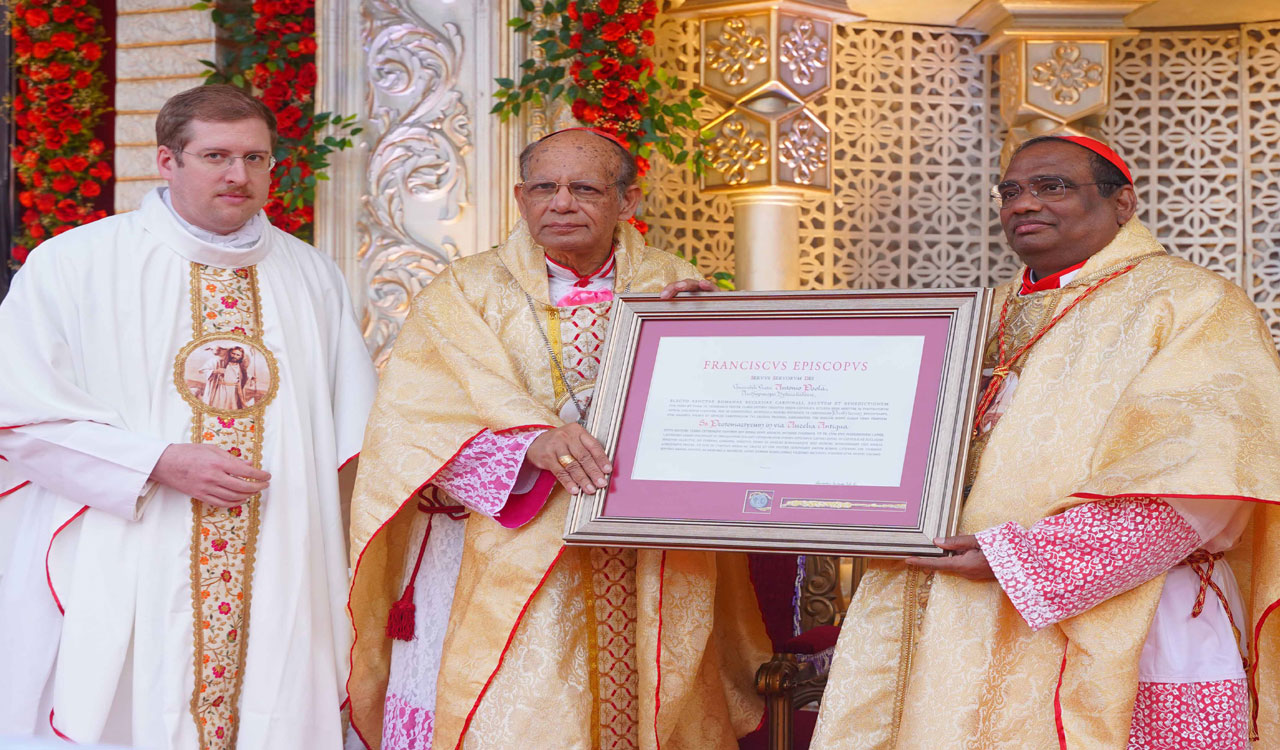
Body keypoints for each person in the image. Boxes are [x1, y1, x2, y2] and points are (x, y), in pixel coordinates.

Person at [810, 135, 1280, 750]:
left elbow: (1207, 480)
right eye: (1010, 191)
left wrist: (1024, 560)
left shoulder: (1194, 303)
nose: (1023, 203)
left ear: (1122, 202)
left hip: (1125, 609)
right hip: (945, 601)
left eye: (1050, 186)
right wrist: (719, 330)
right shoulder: (974, 315)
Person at [345, 128, 769, 750]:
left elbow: (733, 409)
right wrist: (527, 445)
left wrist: (718, 330)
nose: (562, 202)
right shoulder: (465, 290)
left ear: (627, 201)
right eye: (545, 188)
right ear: (521, 199)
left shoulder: (674, 284)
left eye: (585, 189)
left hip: (648, 552)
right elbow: (414, 422)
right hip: (515, 545)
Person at [0, 85, 377, 748]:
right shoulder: (76, 263)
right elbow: (20, 410)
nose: (239, 175)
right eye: (216, 156)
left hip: (281, 541)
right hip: (132, 538)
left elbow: (359, 432)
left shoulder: (312, 276)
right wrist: (157, 461)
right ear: (166, 161)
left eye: (255, 158)